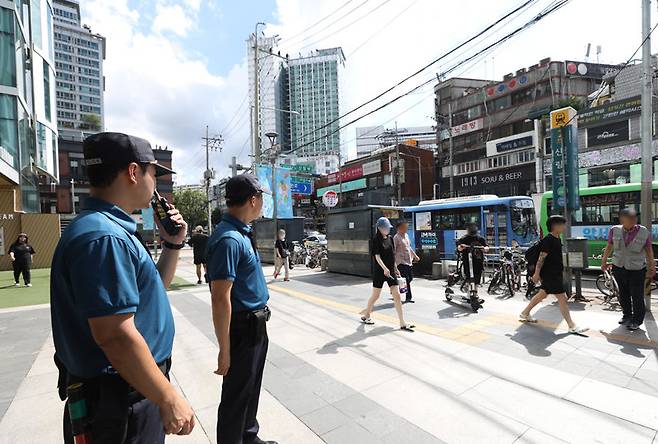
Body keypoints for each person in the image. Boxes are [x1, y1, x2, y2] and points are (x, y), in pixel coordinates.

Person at [50, 132, 195, 442]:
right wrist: (168, 396)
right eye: (154, 173)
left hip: (124, 390)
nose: (156, 183)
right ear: (133, 172)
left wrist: (172, 245)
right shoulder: (105, 238)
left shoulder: (105, 228)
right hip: (119, 400)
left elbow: (149, 292)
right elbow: (114, 334)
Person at [206, 174, 277, 444]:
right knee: (236, 396)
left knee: (250, 389)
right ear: (252, 199)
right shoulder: (229, 240)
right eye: (261, 199)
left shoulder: (240, 233)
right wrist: (224, 349)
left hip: (255, 325)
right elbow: (220, 297)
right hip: (242, 327)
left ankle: (248, 436)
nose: (262, 204)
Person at [519, 215, 588, 334]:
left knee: (542, 295)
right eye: (562, 224)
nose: (564, 226)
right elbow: (541, 259)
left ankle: (525, 313)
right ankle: (571, 325)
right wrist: (536, 274)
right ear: (555, 226)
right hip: (550, 275)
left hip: (554, 273)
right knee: (562, 298)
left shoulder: (557, 238)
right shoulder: (548, 240)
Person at [601, 208, 655, 331]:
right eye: (629, 218)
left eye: (634, 218)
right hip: (619, 266)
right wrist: (604, 261)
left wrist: (651, 266)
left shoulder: (644, 231)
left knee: (637, 295)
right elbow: (609, 246)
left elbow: (648, 250)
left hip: (637, 268)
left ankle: (637, 320)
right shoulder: (614, 230)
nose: (632, 220)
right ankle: (627, 316)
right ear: (622, 219)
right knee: (623, 294)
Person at [360, 217, 415, 332]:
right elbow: (377, 256)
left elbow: (392, 256)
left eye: (388, 227)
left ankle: (402, 323)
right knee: (375, 296)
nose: (388, 230)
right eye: (386, 228)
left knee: (397, 296)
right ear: (380, 228)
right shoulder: (376, 240)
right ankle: (366, 315)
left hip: (390, 272)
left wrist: (395, 268)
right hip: (380, 272)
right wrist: (385, 268)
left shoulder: (390, 239)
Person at [394, 220, 419, 303]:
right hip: (400, 262)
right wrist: (393, 264)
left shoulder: (407, 236)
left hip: (408, 261)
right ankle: (408, 297)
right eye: (404, 227)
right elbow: (393, 251)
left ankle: (395, 287)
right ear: (399, 228)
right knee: (407, 280)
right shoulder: (396, 237)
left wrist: (415, 256)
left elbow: (409, 247)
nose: (406, 229)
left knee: (410, 278)